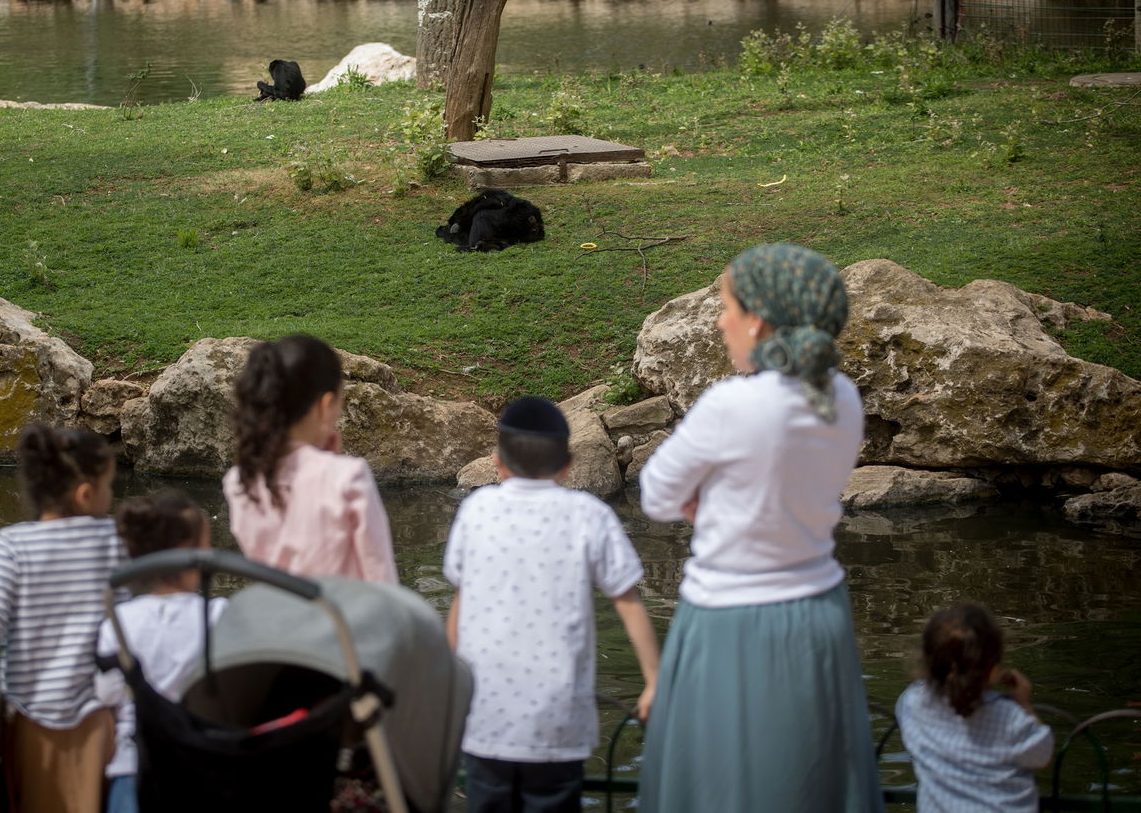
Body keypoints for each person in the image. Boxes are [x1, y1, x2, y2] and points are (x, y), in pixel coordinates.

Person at [637, 243, 883, 812]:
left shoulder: (731, 404)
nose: (720, 322)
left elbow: (656, 494)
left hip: (732, 621)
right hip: (820, 613)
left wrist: (707, 500)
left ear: (757, 319)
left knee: (728, 788)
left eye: (727, 307)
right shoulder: (843, 397)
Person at [444, 396, 661, 813]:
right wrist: (653, 682)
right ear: (567, 465)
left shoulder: (476, 510)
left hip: (485, 717)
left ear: (497, 463)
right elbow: (628, 601)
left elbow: (460, 601)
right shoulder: (589, 514)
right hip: (558, 722)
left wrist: (445, 679)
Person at [0, 423, 122, 813]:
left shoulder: (12, 544)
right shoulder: (116, 540)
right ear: (86, 494)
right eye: (109, 486)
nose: (111, 496)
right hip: (98, 713)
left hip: (29, 711)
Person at [223, 334, 397, 583]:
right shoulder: (349, 477)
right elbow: (381, 581)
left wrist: (326, 459)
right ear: (326, 405)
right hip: (341, 608)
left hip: (273, 608)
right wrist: (332, 464)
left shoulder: (239, 480)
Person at [95, 489, 226, 813]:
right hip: (204, 764)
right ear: (187, 554)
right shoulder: (219, 614)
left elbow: (105, 695)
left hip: (133, 765)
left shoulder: (119, 620)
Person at [896, 603, 1054, 812]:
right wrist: (1023, 703)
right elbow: (1043, 756)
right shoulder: (1010, 717)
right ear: (993, 668)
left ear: (927, 659)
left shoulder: (913, 702)